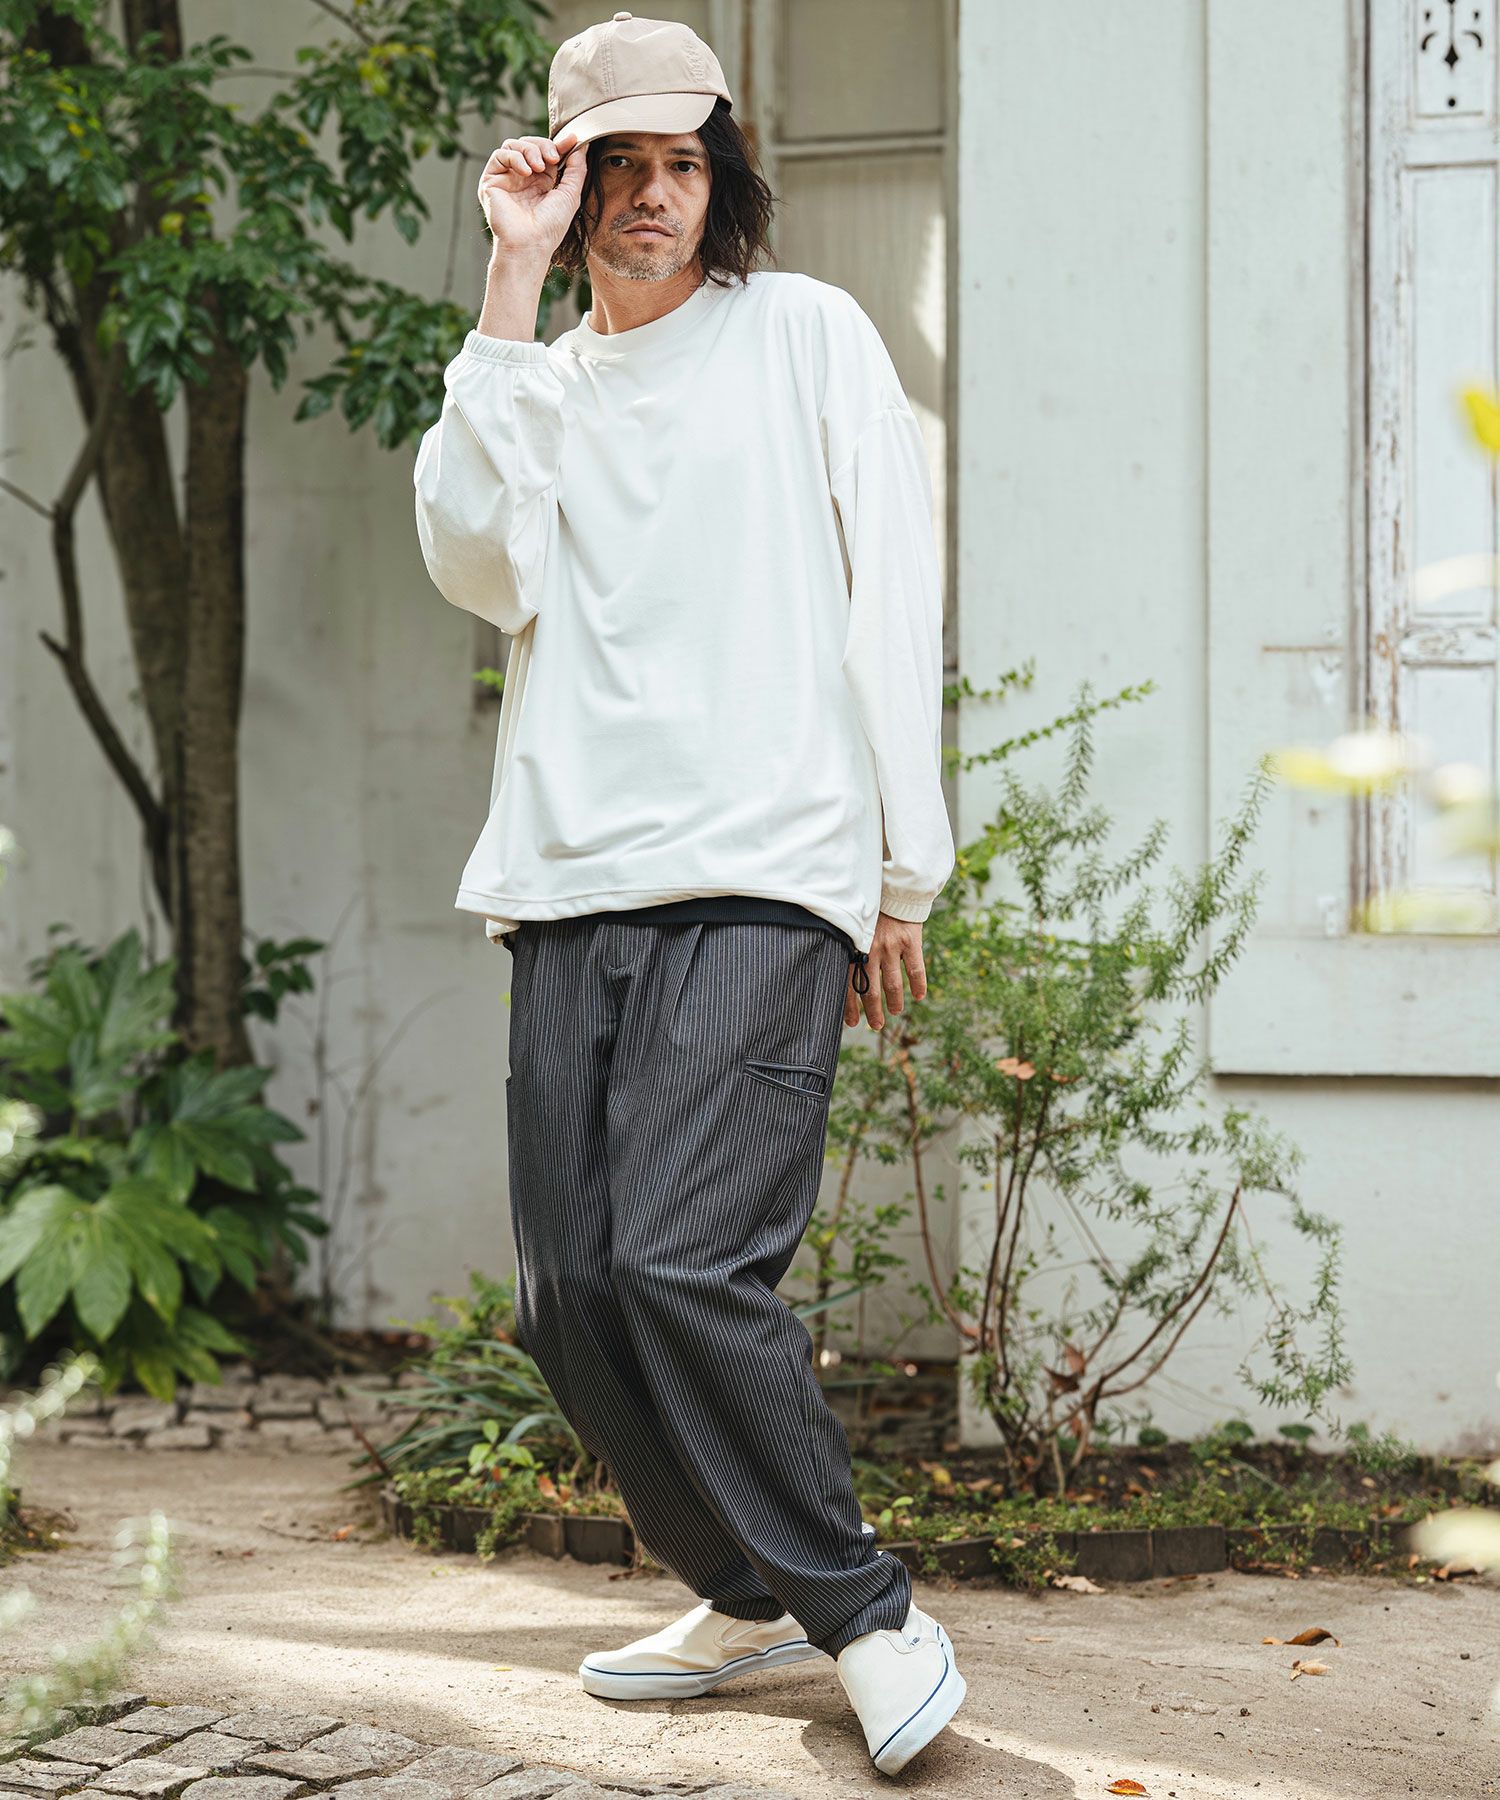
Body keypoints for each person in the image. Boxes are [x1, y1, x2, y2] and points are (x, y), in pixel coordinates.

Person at [412, 11, 962, 1781]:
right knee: (571, 1294)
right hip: (572, 877)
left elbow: (893, 597)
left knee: (680, 1258)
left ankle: (866, 1615)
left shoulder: (805, 334)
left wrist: (898, 870)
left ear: (721, 177)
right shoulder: (536, 386)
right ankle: (740, 1590)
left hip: (765, 866)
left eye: (683, 163)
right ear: (565, 186)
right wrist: (506, 285)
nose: (655, 196)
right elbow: (474, 562)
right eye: (618, 168)